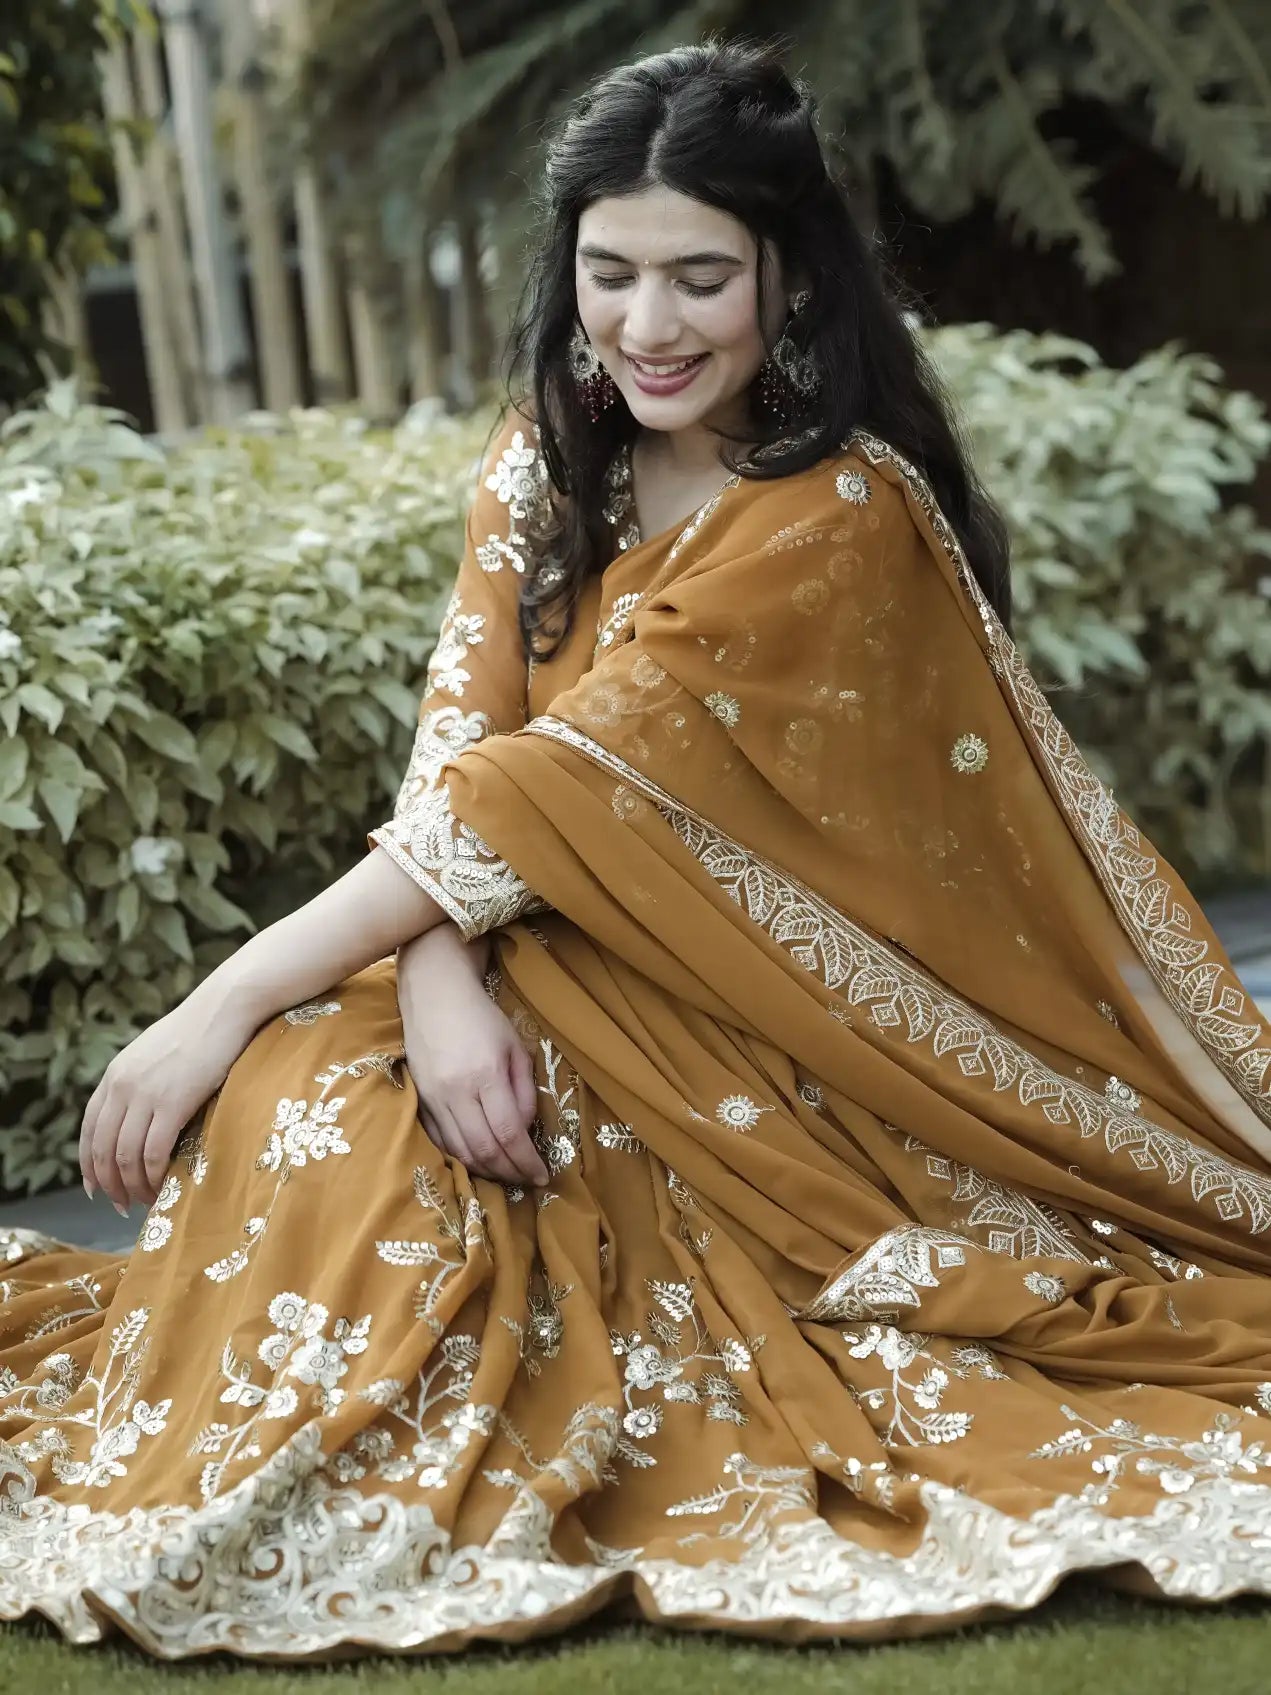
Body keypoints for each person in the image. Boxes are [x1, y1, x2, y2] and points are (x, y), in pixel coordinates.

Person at [4, 37, 1271, 1663]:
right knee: (304, 1094)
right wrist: (439, 987)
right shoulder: (550, 454)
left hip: (753, 1041)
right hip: (514, 962)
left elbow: (550, 785)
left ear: (789, 278)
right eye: (611, 274)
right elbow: (464, 754)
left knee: (344, 1131)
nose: (649, 326)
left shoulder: (835, 510)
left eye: (699, 278)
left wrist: (217, 996)